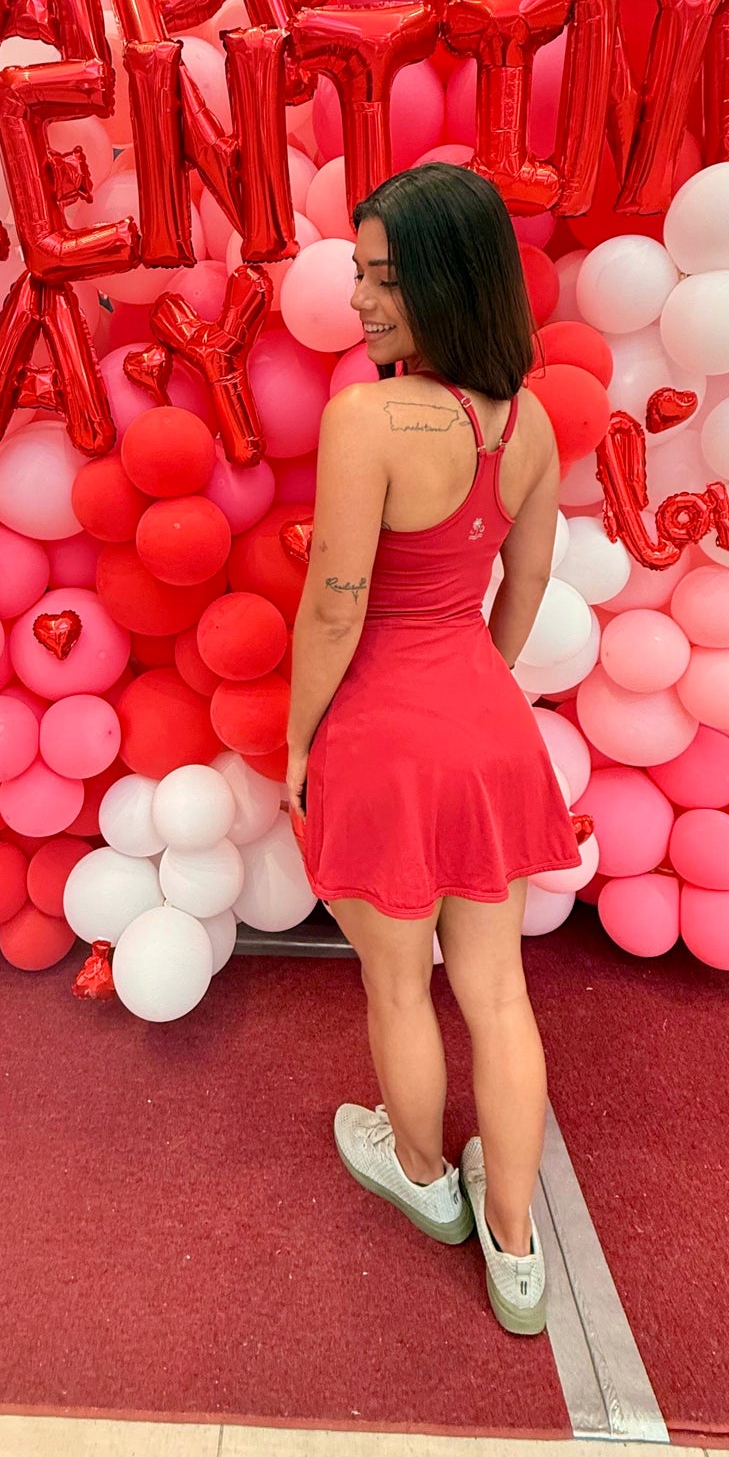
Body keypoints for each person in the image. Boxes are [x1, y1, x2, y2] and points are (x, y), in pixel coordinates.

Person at [286, 161, 579, 1337]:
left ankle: (418, 1171)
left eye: (384, 279)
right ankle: (514, 1248)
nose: (358, 301)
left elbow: (333, 604)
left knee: (397, 982)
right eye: (358, 274)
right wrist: (482, 681)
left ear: (450, 284)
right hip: (485, 719)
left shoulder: (367, 417)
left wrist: (297, 736)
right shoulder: (533, 418)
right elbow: (532, 576)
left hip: (384, 732)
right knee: (497, 995)